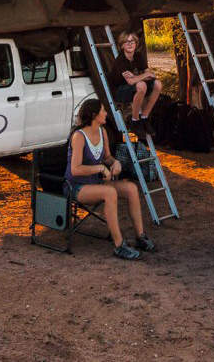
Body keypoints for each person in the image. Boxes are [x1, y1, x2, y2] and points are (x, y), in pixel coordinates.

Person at [65, 98, 156, 260]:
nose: (106, 113)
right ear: (94, 115)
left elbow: (107, 157)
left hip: (96, 182)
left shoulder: (103, 131)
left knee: (131, 188)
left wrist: (116, 163)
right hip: (76, 186)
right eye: (103, 111)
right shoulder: (79, 136)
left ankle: (140, 237)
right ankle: (119, 245)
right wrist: (100, 168)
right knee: (109, 192)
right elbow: (75, 169)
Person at [108, 31, 161, 135]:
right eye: (126, 42)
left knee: (157, 84)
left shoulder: (138, 56)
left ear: (136, 43)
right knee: (141, 85)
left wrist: (138, 77)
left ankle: (144, 117)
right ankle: (135, 120)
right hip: (120, 91)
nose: (130, 44)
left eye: (132, 41)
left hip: (133, 87)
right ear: (122, 45)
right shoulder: (120, 61)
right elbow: (131, 81)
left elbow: (151, 75)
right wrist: (143, 76)